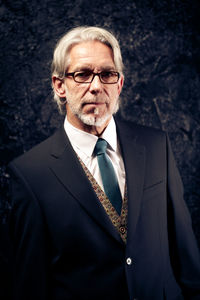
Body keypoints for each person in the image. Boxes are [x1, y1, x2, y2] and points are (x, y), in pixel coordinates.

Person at [8, 26, 200, 300]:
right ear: (59, 85)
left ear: (119, 84)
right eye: (83, 74)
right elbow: (30, 287)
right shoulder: (30, 174)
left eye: (107, 74)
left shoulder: (157, 146)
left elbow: (187, 259)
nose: (96, 86)